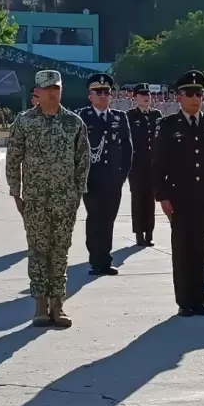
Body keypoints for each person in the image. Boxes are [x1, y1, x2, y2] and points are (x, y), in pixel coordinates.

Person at [6, 70, 91, 327]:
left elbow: (83, 160)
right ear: (37, 92)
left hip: (65, 198)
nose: (53, 92)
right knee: (38, 251)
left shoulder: (74, 123)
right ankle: (40, 305)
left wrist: (78, 192)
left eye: (56, 88)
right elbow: (14, 158)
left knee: (60, 251)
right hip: (35, 199)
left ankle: (58, 305)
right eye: (47, 88)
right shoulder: (24, 122)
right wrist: (15, 192)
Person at [153, 70, 204, 317]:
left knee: (201, 247)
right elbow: (159, 164)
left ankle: (199, 300)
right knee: (183, 248)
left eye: (199, 93)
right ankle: (185, 301)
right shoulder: (167, 126)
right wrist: (162, 196)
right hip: (179, 198)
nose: (196, 98)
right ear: (179, 97)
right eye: (190, 94)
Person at [76, 73, 133, 275]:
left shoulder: (120, 117)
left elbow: (127, 150)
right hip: (91, 179)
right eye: (98, 92)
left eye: (106, 92)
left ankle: (105, 259)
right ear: (90, 96)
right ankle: (96, 260)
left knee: (108, 219)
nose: (103, 95)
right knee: (95, 218)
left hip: (113, 179)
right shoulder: (81, 117)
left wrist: (122, 176)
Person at [126, 83, 162, 247]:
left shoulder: (156, 115)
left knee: (150, 199)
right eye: (141, 94)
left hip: (152, 164)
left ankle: (149, 232)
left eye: (147, 94)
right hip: (136, 165)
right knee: (138, 199)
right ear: (135, 97)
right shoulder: (129, 116)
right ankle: (139, 232)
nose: (146, 97)